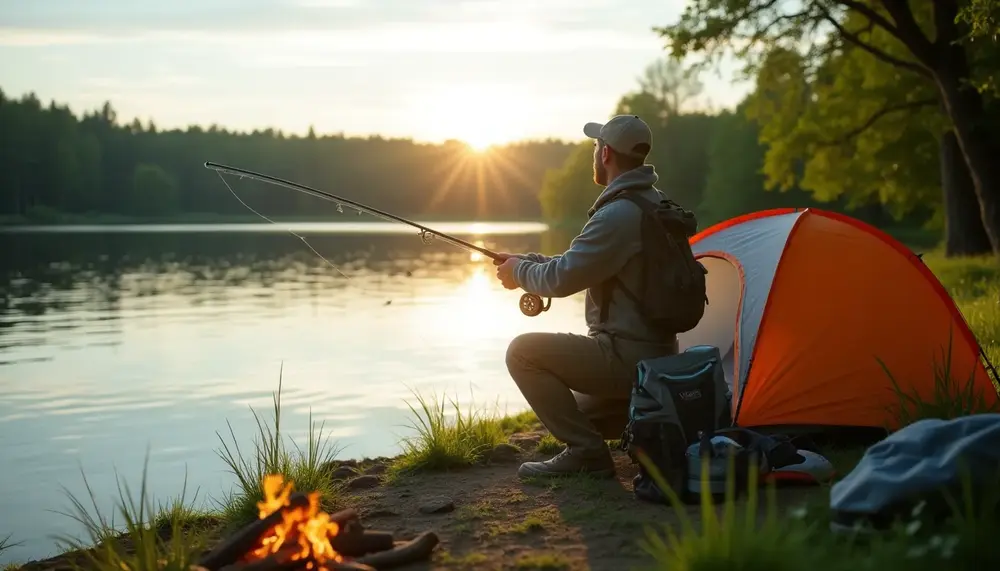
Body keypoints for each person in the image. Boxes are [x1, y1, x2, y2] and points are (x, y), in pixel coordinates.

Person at [493, 114, 679, 479]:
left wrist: (519, 274)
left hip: (626, 356)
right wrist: (529, 262)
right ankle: (637, 426)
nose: (594, 153)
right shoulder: (651, 202)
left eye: (595, 146)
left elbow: (563, 279)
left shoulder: (619, 214)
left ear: (606, 153)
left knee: (522, 352)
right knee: (576, 410)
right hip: (658, 355)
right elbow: (581, 263)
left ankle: (588, 455)